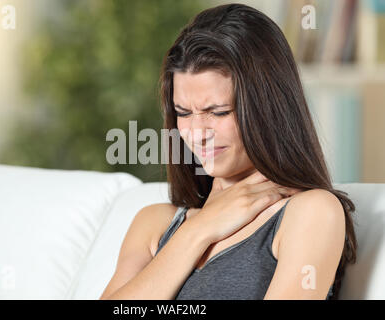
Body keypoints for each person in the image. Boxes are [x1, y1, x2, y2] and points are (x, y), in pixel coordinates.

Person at [100, 3, 357, 300]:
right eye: (183, 112)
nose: (196, 133)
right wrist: (199, 230)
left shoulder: (311, 212)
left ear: (268, 108)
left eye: (218, 112)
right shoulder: (155, 223)